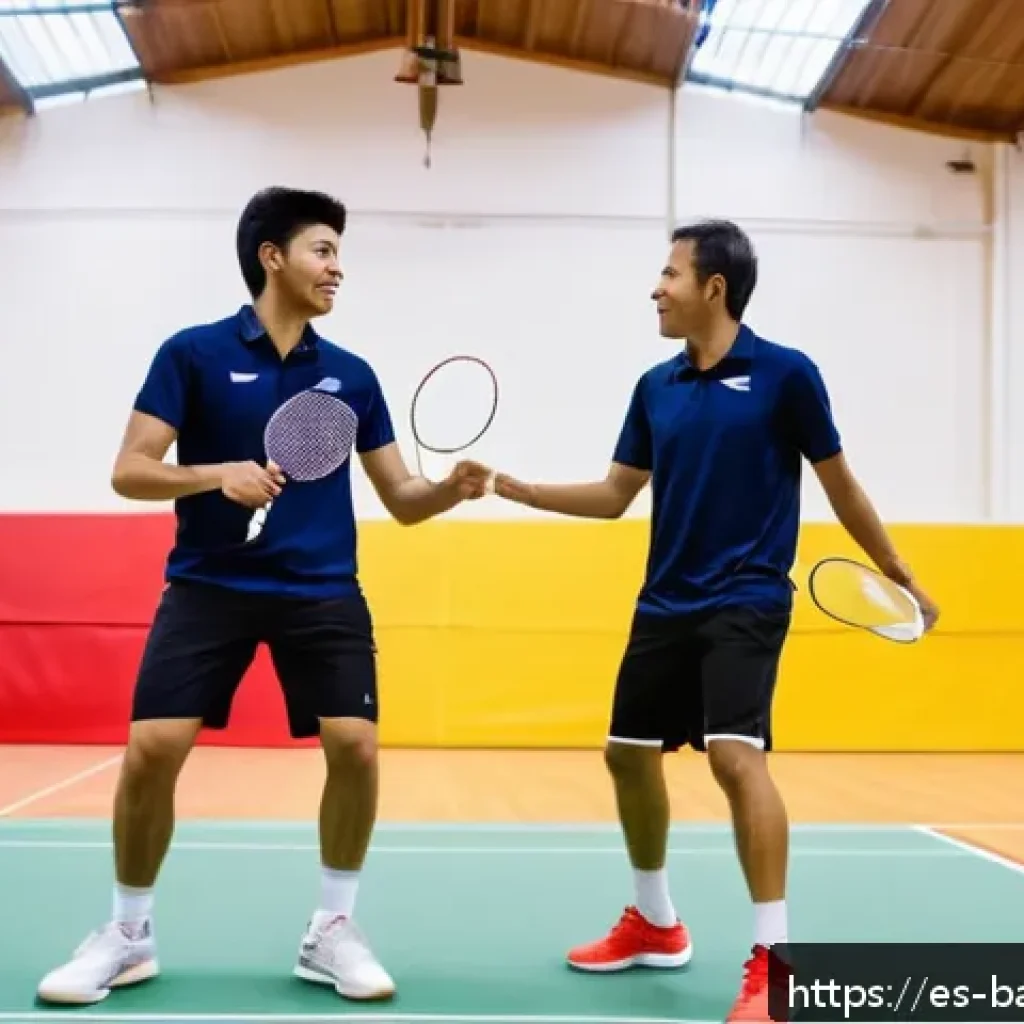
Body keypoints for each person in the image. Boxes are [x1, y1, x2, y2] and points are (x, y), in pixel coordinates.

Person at [36, 186, 491, 1007]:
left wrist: (449, 490)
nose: (337, 267)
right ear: (271, 257)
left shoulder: (350, 376)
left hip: (321, 588)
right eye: (323, 249)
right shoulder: (194, 353)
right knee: (151, 754)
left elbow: (400, 497)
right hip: (210, 583)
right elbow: (129, 469)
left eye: (339, 252)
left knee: (354, 746)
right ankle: (128, 933)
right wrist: (219, 475)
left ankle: (333, 930)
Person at [493, 220, 939, 1022]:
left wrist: (899, 574)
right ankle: (656, 923)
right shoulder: (654, 387)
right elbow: (614, 494)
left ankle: (776, 960)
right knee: (626, 756)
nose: (655, 289)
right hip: (664, 600)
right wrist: (522, 490)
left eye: (669, 274)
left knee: (736, 759)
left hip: (747, 597)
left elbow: (840, 485)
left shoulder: (785, 376)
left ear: (714, 289)